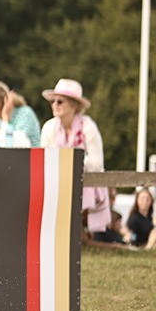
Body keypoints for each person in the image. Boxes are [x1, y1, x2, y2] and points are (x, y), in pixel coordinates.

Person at [40, 78, 109, 233]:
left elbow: (97, 163)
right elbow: (44, 159)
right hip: (56, 182)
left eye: (60, 102)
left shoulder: (88, 127)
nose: (54, 105)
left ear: (73, 105)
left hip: (84, 182)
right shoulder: (49, 128)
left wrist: (72, 163)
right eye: (53, 101)